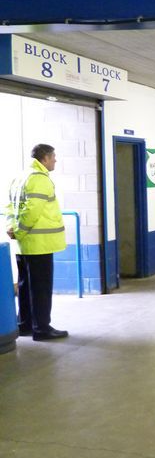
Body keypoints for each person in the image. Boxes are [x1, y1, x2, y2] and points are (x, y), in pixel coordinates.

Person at [5, 144, 68, 340]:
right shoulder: (39, 179)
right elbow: (32, 211)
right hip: (39, 243)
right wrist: (21, 232)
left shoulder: (20, 177)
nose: (55, 160)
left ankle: (24, 325)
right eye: (54, 157)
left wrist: (13, 229)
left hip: (23, 245)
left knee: (25, 285)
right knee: (41, 288)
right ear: (45, 158)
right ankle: (41, 328)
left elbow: (10, 207)